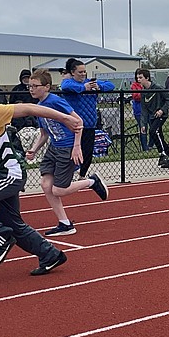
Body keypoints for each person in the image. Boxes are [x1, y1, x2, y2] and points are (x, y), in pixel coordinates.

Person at [0, 72, 82, 275]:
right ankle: (50, 254)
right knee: (11, 224)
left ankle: (1, 239)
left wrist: (65, 118)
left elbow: (28, 108)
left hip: (8, 174)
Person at [24, 69, 109, 236]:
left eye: (35, 86)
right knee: (45, 185)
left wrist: (77, 146)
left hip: (67, 147)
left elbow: (78, 121)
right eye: (29, 86)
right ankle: (65, 223)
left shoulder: (55, 101)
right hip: (53, 148)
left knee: (58, 190)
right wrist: (34, 149)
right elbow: (44, 133)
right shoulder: (38, 107)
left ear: (47, 87)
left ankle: (91, 181)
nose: (31, 89)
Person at [60, 58, 115, 178]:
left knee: (88, 152)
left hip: (90, 124)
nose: (83, 74)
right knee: (73, 151)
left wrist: (98, 87)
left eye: (84, 71)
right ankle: (70, 173)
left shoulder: (90, 82)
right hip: (75, 125)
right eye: (80, 72)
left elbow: (111, 85)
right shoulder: (69, 83)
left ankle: (82, 175)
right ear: (73, 72)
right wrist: (83, 88)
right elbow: (66, 86)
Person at [130, 70, 150, 151]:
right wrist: (144, 92)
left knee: (153, 127)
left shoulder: (148, 85)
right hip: (139, 110)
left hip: (149, 110)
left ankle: (151, 145)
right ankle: (145, 148)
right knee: (143, 128)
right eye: (137, 77)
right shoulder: (134, 85)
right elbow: (136, 96)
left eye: (140, 77)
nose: (138, 79)